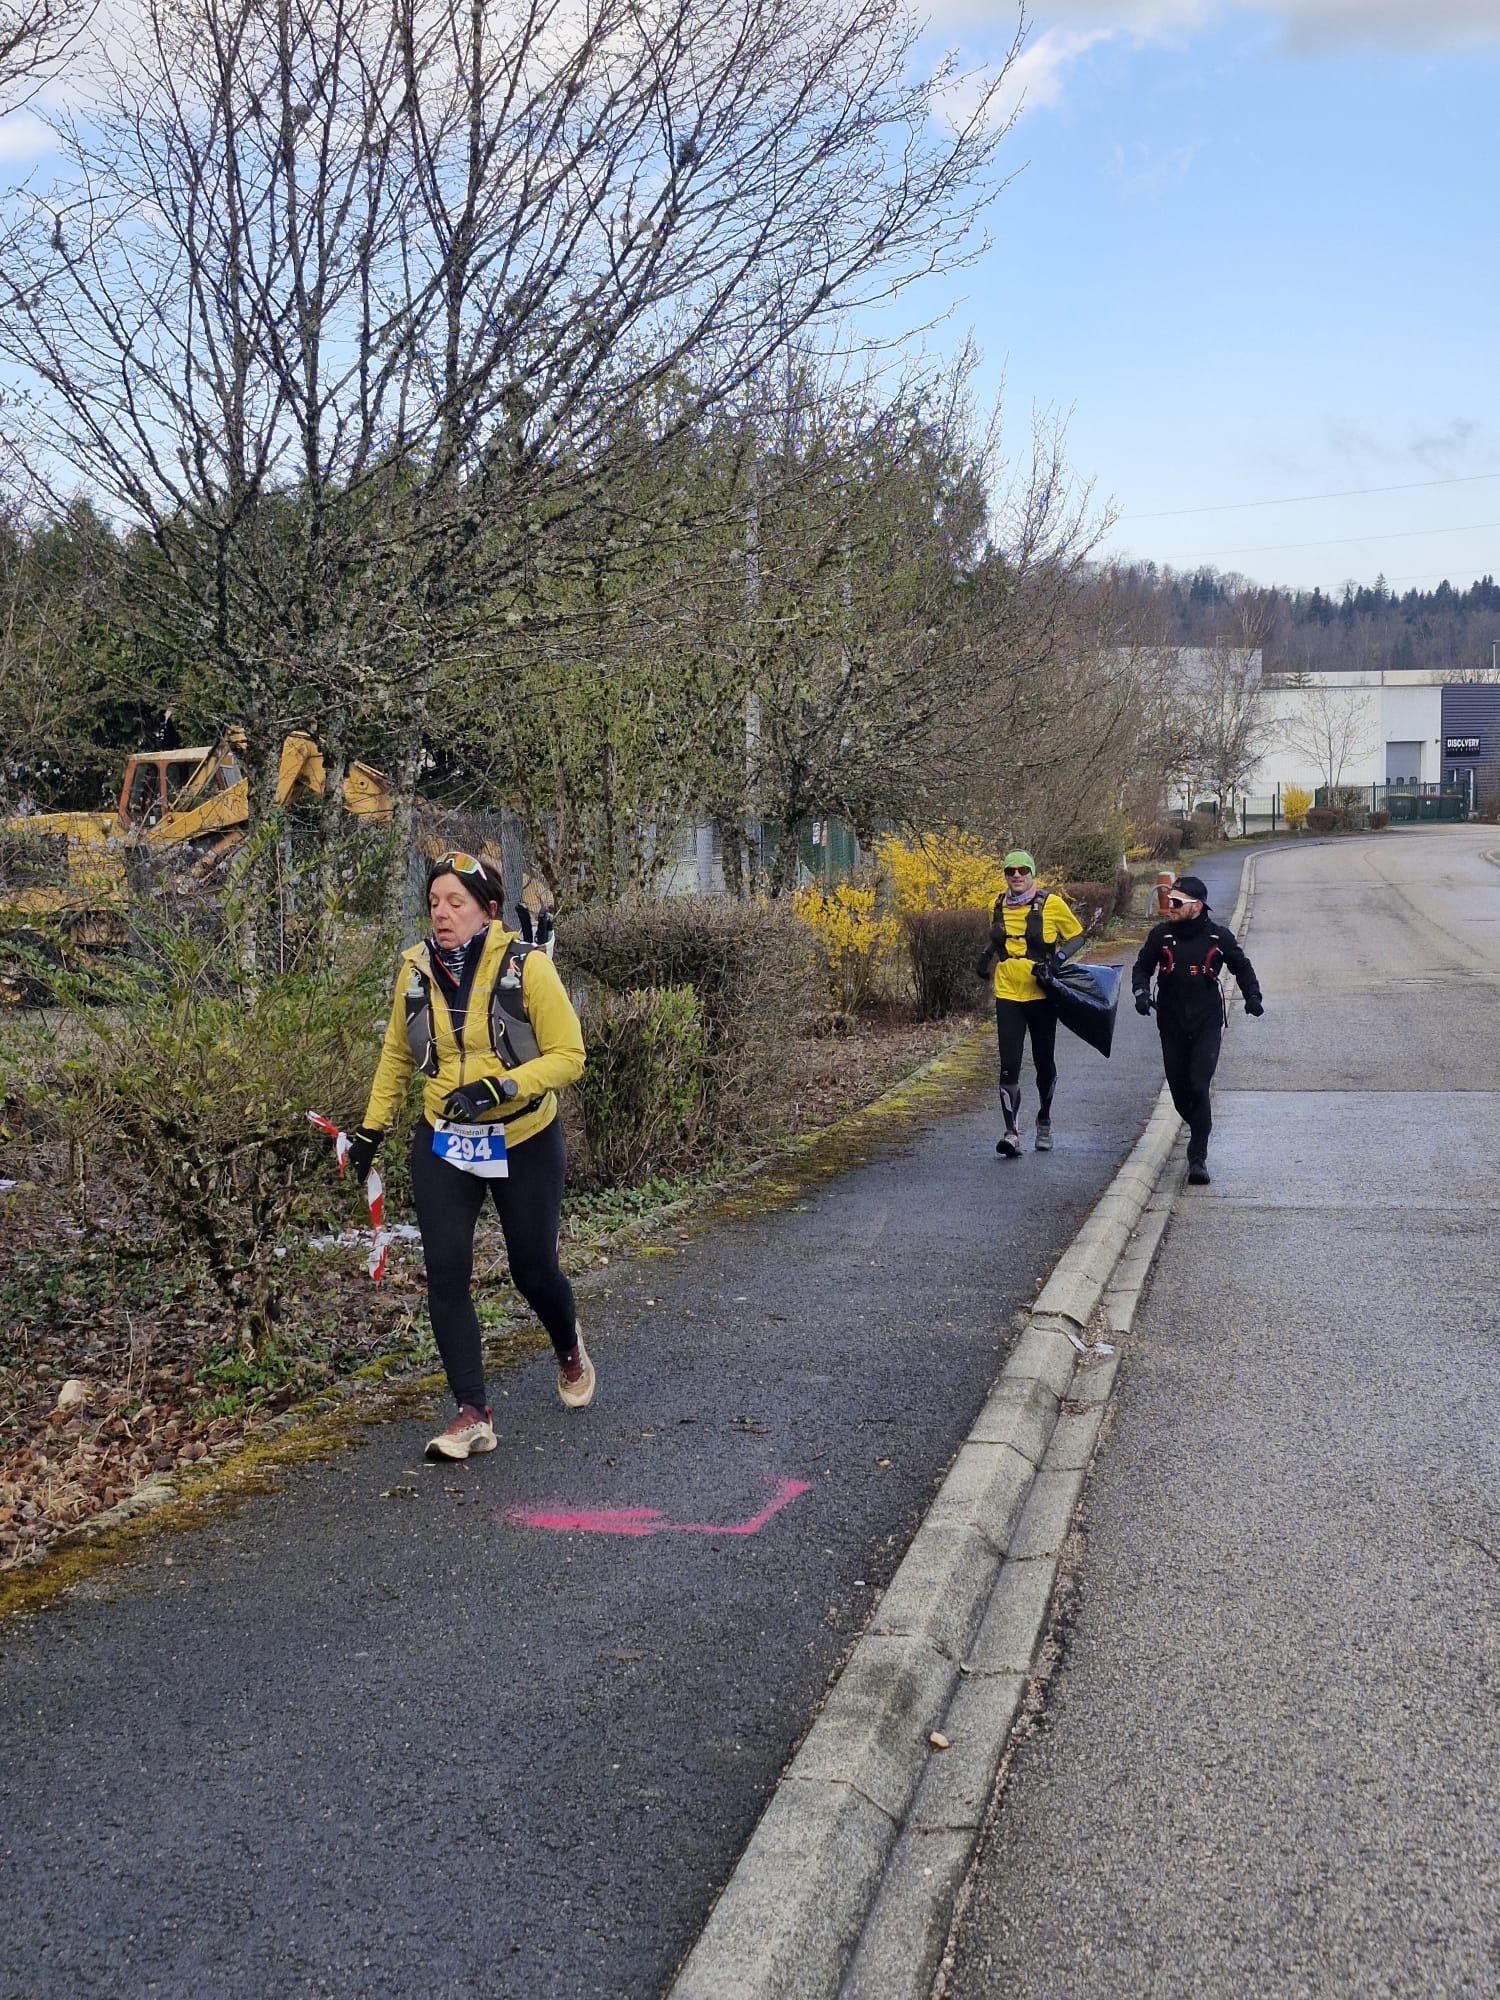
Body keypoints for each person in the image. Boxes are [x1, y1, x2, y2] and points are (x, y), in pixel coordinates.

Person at [344, 852, 590, 1460]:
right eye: (434, 902)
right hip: (445, 1139)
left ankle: (567, 1345)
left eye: (456, 902)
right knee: (446, 1271)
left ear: (488, 910)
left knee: (533, 1271)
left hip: (522, 1136)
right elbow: (397, 1055)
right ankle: (472, 1413)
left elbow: (569, 1055)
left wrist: (500, 1087)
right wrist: (371, 1130)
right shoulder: (414, 972)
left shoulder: (526, 967)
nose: (442, 913)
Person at [1131, 872, 1263, 1186]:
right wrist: (1140, 993)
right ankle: (1201, 1128)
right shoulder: (1161, 936)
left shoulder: (1218, 937)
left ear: (1197, 906)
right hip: (1171, 1021)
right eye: (1169, 901)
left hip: (1206, 1021)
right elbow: (1142, 967)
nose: (1170, 907)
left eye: (1177, 902)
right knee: (1180, 1094)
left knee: (1198, 1085)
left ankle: (1197, 1157)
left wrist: (1252, 997)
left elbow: (1241, 966)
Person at [979, 851, 1082, 1159]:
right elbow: (999, 939)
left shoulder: (1051, 904)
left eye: (1023, 870)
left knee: (1043, 1062)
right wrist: (986, 956)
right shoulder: (996, 904)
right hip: (1008, 992)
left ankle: (1044, 1120)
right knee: (1008, 1064)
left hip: (1040, 993)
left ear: (1032, 873)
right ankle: (1011, 1133)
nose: (1016, 875)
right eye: (1010, 870)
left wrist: (1056, 962)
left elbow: (1077, 937)